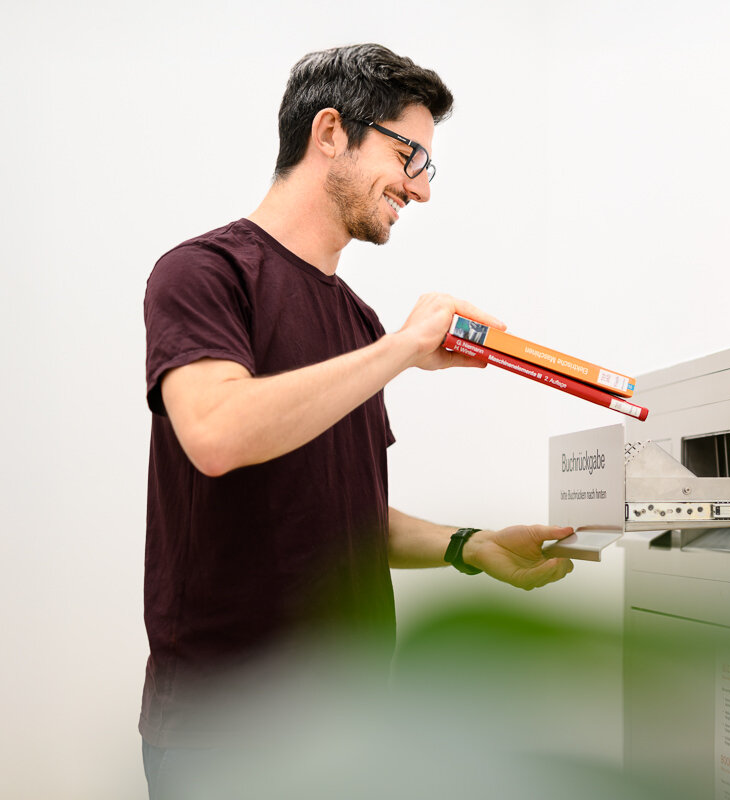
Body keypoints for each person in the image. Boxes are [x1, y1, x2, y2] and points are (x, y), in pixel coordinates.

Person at [140, 43, 574, 795]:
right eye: (410, 156)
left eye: (427, 166)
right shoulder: (203, 273)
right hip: (228, 739)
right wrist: (403, 349)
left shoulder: (357, 321)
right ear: (331, 132)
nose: (422, 190)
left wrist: (471, 546)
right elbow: (216, 433)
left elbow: (341, 513)